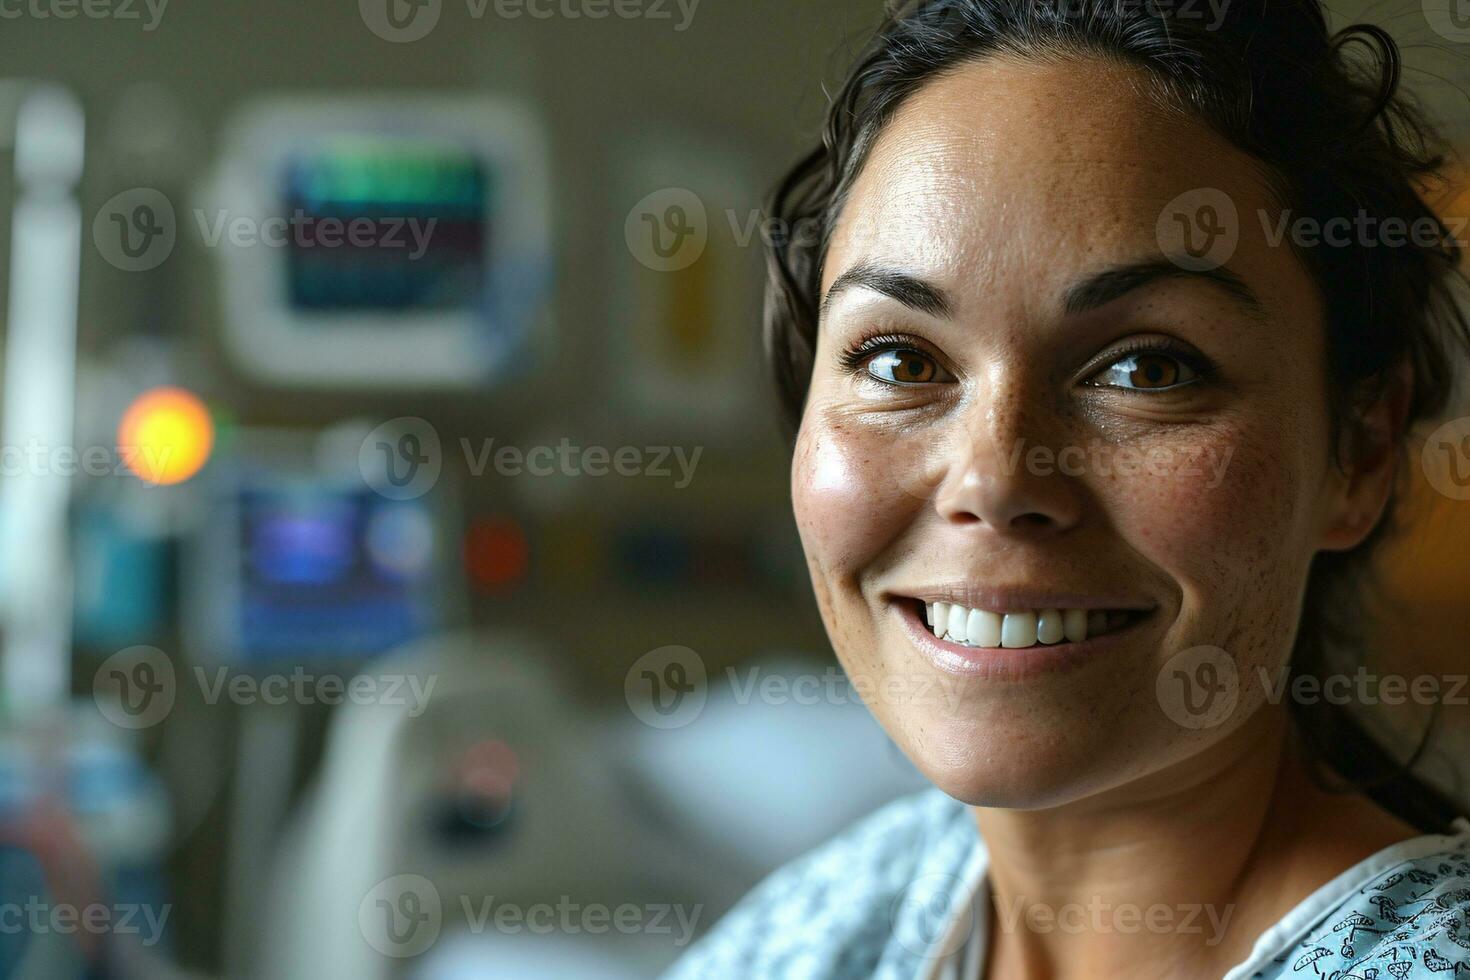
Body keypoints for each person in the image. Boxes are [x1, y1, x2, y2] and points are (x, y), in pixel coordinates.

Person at [661, 0, 1470, 976]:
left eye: (1147, 370)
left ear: (1362, 449)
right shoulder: (821, 929)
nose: (996, 478)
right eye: (899, 358)